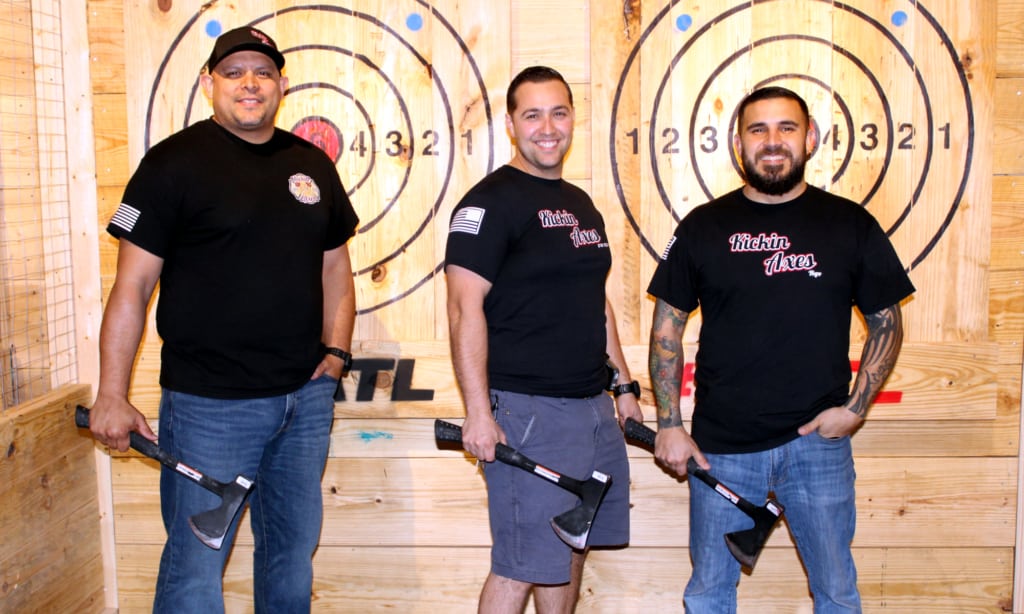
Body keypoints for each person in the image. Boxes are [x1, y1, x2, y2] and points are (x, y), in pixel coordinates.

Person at [86, 26, 359, 614]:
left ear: (282, 84)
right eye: (233, 72)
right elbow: (132, 286)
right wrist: (111, 392)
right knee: (194, 571)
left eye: (262, 71)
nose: (249, 83)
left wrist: (335, 356)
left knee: (291, 555)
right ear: (209, 83)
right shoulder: (171, 165)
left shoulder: (310, 164)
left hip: (303, 404)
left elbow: (336, 270)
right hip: (209, 408)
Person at [647, 86, 915, 612]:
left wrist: (855, 411)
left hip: (817, 446)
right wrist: (670, 423)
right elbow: (665, 332)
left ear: (810, 138)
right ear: (737, 143)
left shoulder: (850, 224)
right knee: (709, 593)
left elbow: (887, 322)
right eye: (758, 129)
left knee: (837, 591)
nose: (773, 142)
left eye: (786, 128)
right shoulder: (703, 227)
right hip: (722, 448)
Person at [445, 65, 643, 613]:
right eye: (532, 114)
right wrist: (478, 413)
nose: (547, 127)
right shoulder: (487, 204)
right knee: (521, 564)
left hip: (592, 410)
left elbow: (594, 300)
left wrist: (623, 385)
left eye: (558, 112)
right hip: (527, 413)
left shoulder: (581, 204)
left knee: (569, 548)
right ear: (511, 124)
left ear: (573, 118)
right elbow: (464, 310)